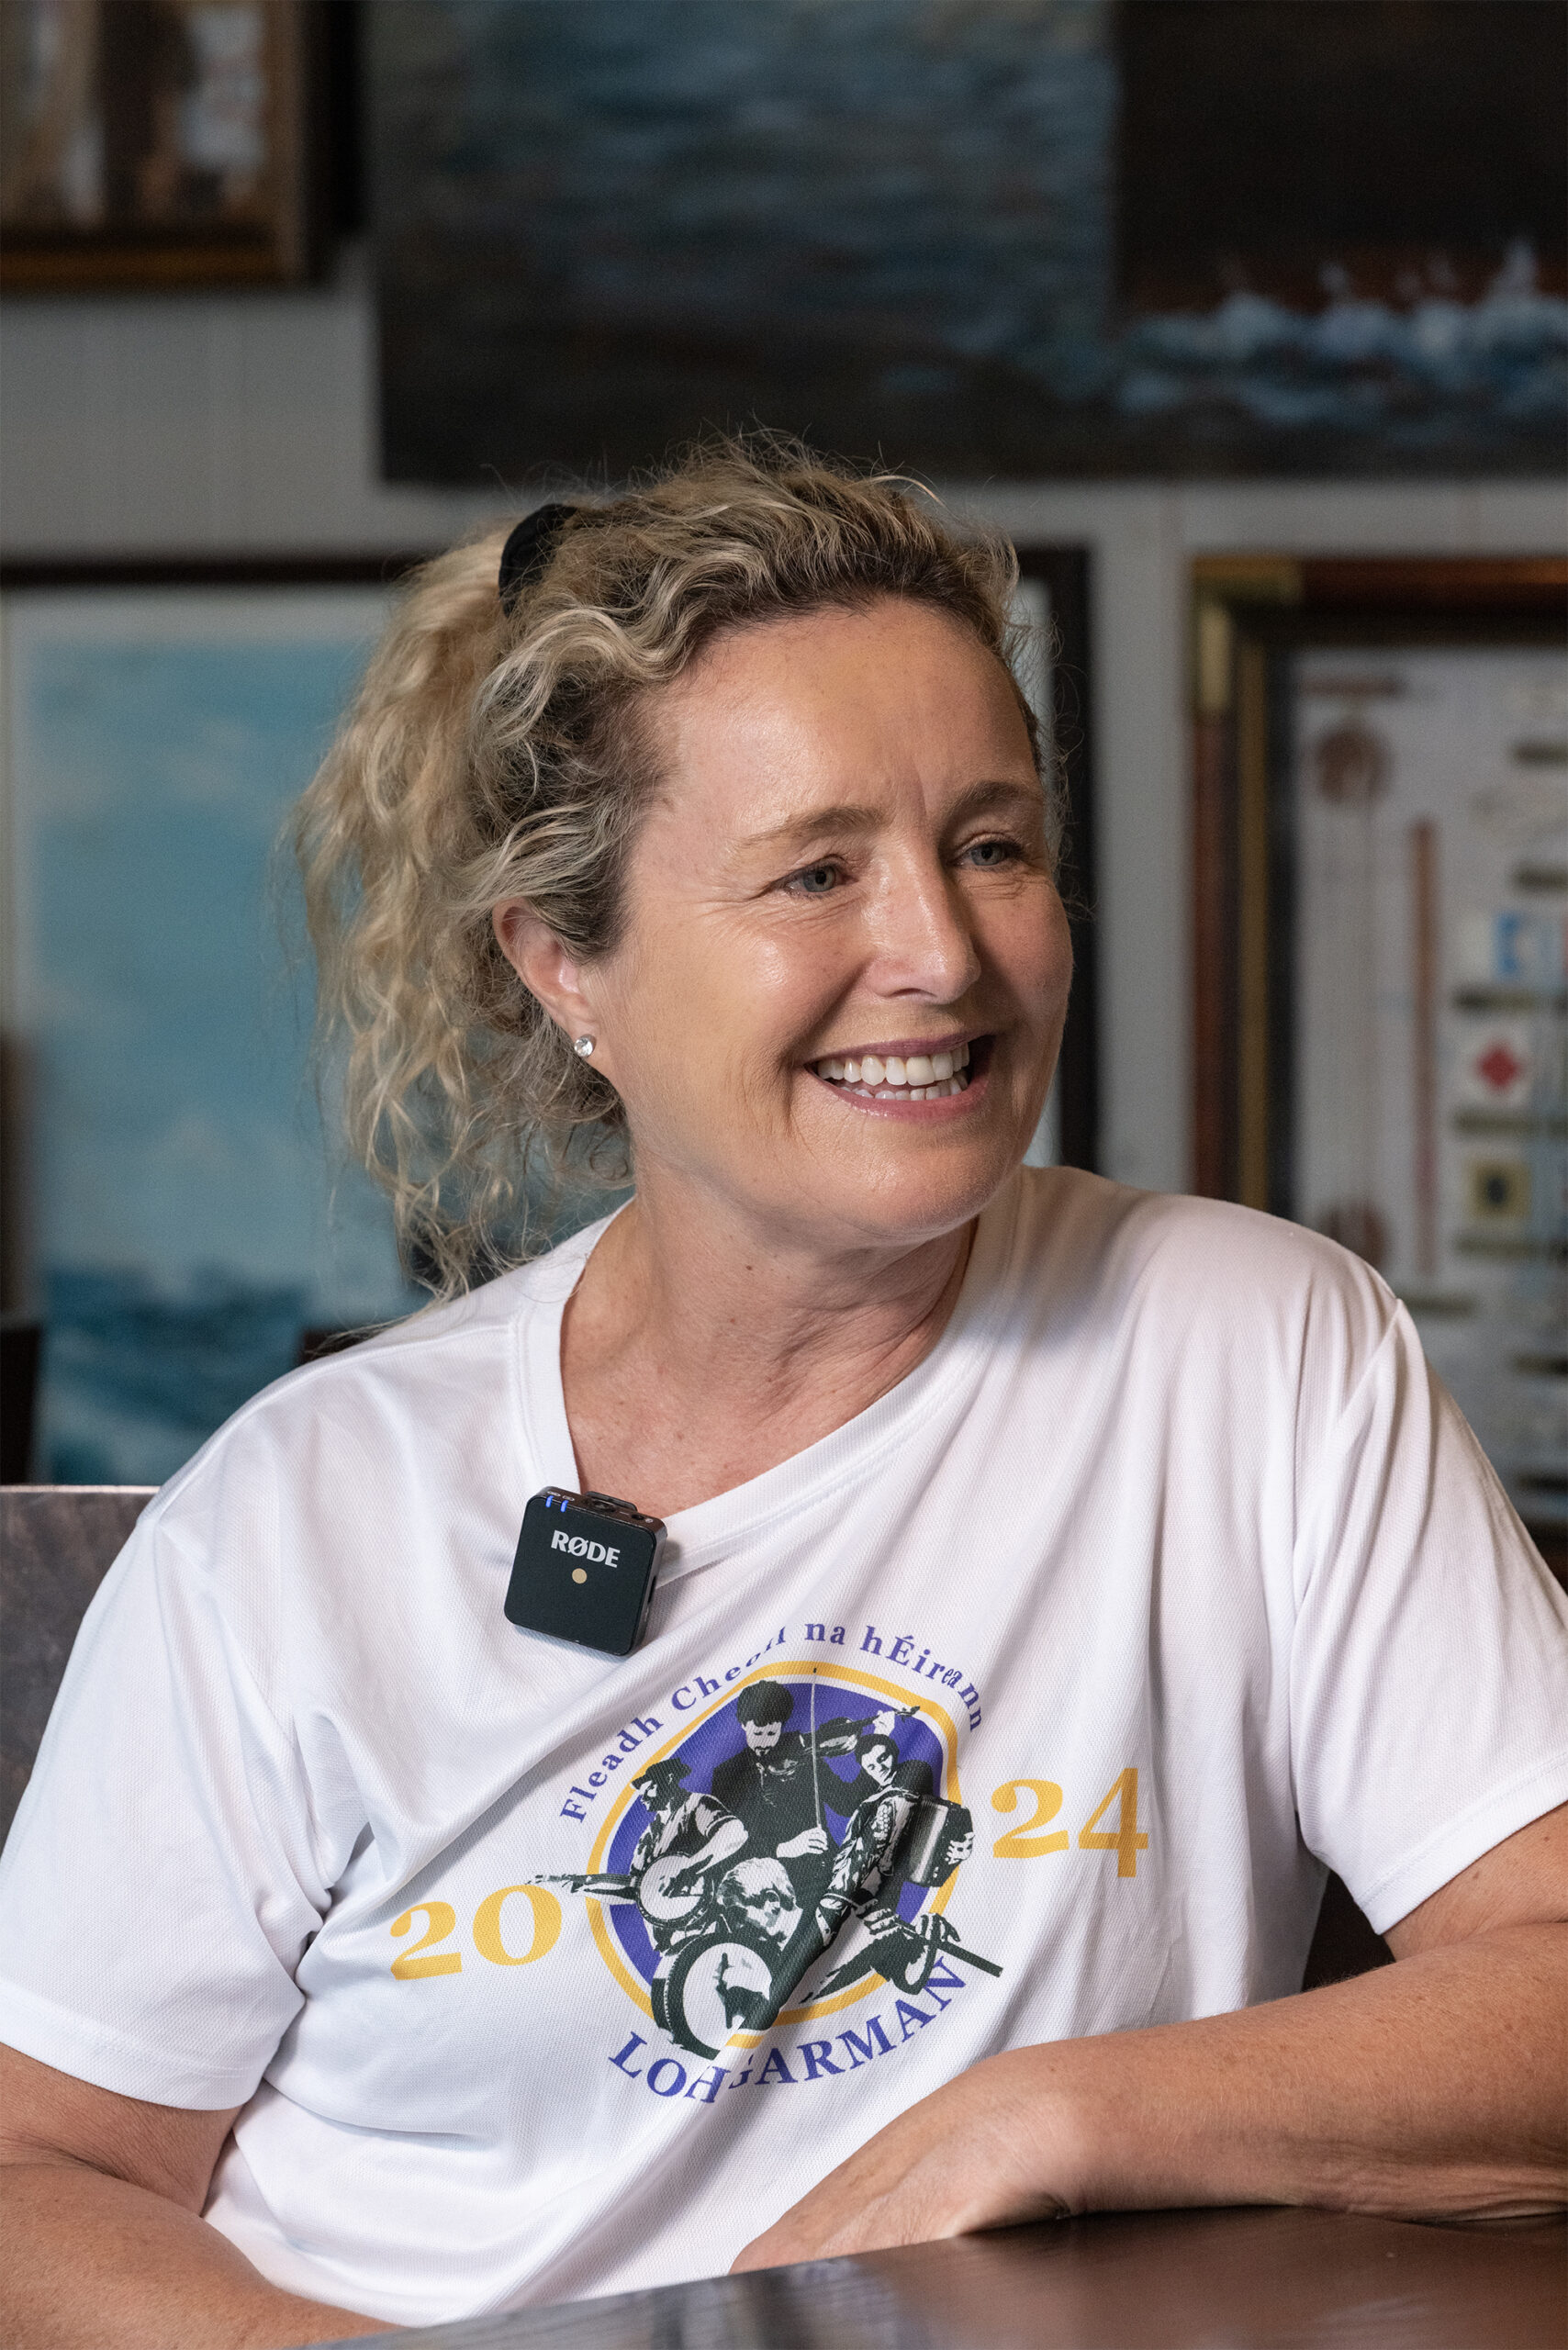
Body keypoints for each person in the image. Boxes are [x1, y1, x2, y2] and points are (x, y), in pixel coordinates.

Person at [0, 440, 1563, 2345]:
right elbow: (35, 2175)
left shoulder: (1256, 1353)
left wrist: (1045, 2116)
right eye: (815, 871)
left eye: (992, 845)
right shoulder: (299, 1506)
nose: (939, 952)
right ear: (565, 965)